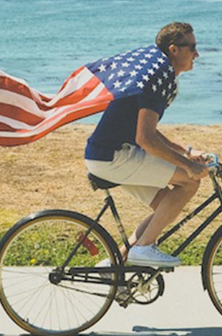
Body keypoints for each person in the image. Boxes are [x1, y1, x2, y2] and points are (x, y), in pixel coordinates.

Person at [84, 22, 208, 268]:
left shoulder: (158, 73)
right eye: (192, 47)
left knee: (166, 205)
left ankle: (116, 265)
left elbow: (148, 132)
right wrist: (187, 166)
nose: (197, 53)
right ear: (174, 49)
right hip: (114, 157)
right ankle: (142, 248)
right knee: (190, 181)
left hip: (108, 155)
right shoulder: (157, 78)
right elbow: (146, 140)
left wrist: (186, 153)